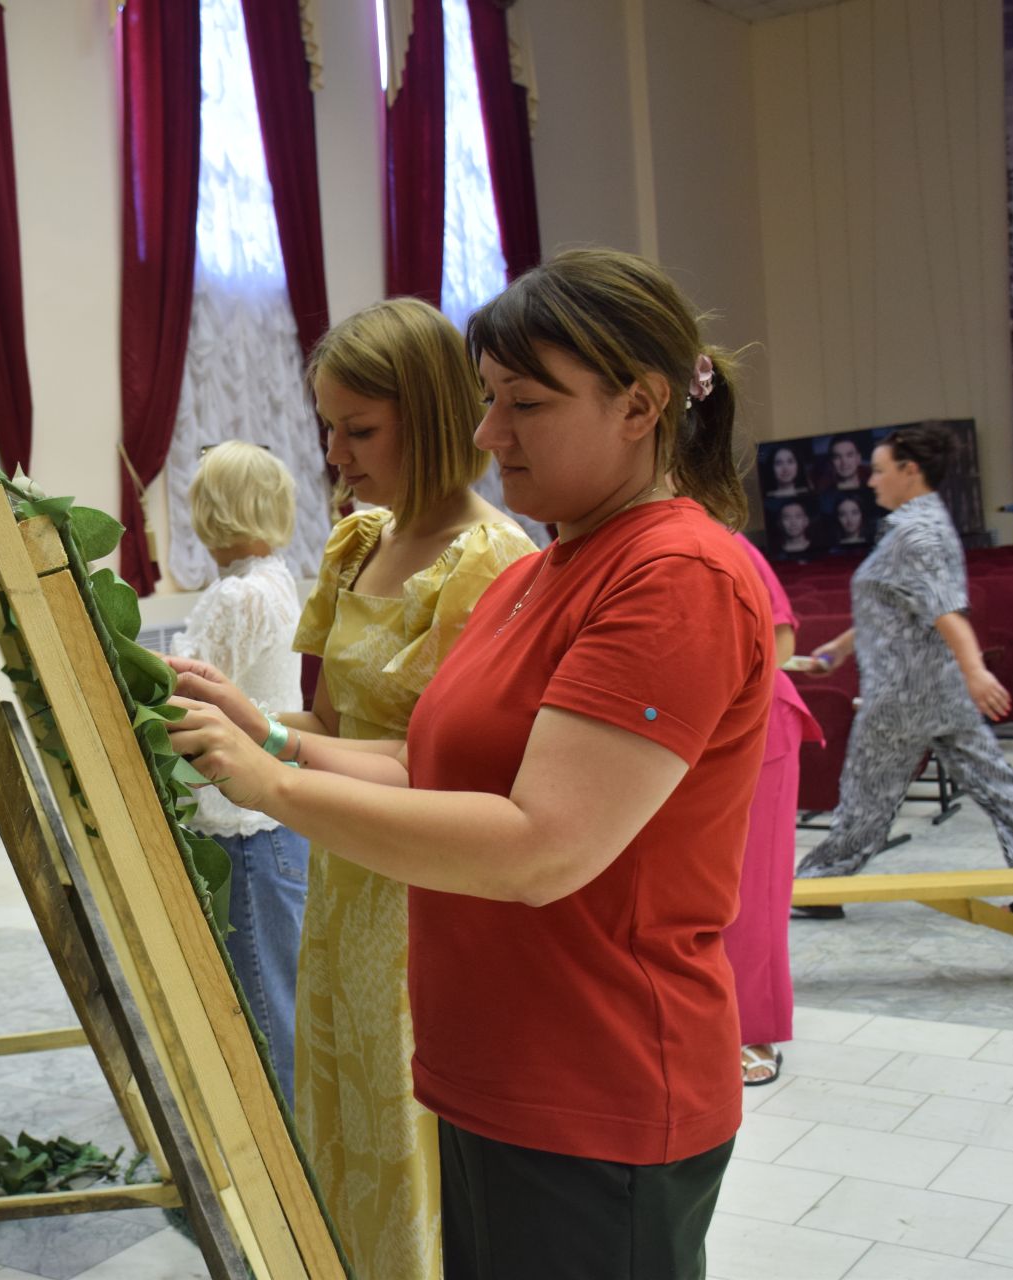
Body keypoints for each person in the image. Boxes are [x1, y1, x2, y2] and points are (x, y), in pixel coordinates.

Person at [168, 249, 773, 1280]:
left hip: (597, 1077)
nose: (489, 436)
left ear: (641, 404)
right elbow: (439, 775)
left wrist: (275, 789)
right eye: (489, 401)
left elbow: (542, 845)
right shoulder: (543, 571)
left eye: (524, 404)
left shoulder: (674, 574)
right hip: (493, 1065)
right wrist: (276, 737)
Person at [168, 297, 534, 1279]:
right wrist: (246, 718)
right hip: (342, 873)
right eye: (327, 425)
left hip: (422, 888)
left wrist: (269, 767)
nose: (334, 452)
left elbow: (438, 771)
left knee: (404, 1131)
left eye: (359, 428)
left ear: (431, 412)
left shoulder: (493, 563)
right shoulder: (358, 543)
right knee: (337, 1110)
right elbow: (327, 728)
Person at [794, 424, 1013, 918]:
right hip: (933, 689)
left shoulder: (915, 533)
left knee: (866, 797)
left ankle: (819, 883)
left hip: (903, 695)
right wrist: (837, 649)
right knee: (996, 783)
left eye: (879, 471)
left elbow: (945, 612)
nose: (871, 481)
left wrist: (976, 671)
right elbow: (898, 605)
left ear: (909, 470)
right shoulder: (920, 525)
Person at [169, 441, 308, 1097]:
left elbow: (184, 697)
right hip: (273, 821)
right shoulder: (276, 579)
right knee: (277, 998)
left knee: (262, 1008)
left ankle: (286, 1179)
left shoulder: (237, 597)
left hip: (242, 826)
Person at [725, 535, 823, 1086]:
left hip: (752, 724)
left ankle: (753, 1030)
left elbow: (780, 640)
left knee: (754, 886)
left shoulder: (724, 542)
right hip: (676, 731)